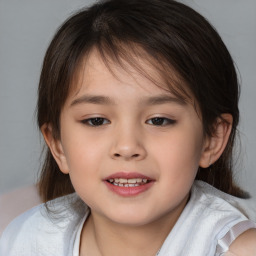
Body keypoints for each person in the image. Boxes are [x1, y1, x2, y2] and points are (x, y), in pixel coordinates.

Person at [0, 0, 256, 255]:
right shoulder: (26, 240)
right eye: (96, 120)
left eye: (158, 120)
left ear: (211, 138)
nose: (127, 147)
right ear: (57, 145)